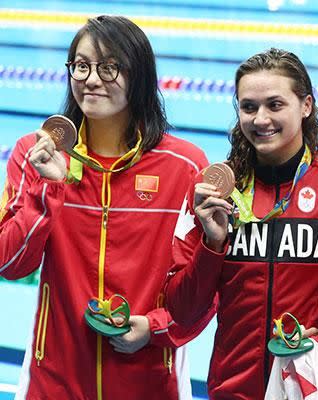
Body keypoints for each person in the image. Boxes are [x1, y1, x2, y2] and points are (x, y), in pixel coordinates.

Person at [0, 15, 211, 399]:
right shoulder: (36, 153)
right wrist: (49, 188)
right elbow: (11, 265)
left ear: (140, 75)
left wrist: (155, 327)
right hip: (53, 382)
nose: (91, 79)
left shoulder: (184, 167)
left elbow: (206, 284)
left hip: (150, 382)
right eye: (81, 65)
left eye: (109, 67)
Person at [164, 48, 318, 399]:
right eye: (249, 107)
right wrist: (212, 244)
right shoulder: (213, 192)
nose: (260, 119)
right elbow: (181, 310)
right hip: (232, 389)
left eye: (275, 105)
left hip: (313, 389)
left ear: (306, 106)